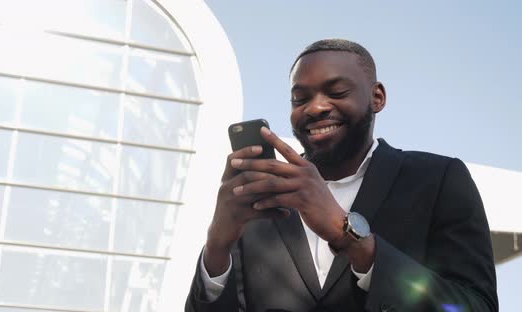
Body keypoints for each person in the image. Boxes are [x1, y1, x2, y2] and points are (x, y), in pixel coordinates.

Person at [185, 39, 498, 311]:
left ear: (377, 97)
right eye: (300, 99)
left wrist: (349, 236)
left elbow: (474, 306)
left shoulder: (438, 179)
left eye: (336, 91)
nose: (316, 107)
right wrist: (216, 245)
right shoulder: (262, 202)